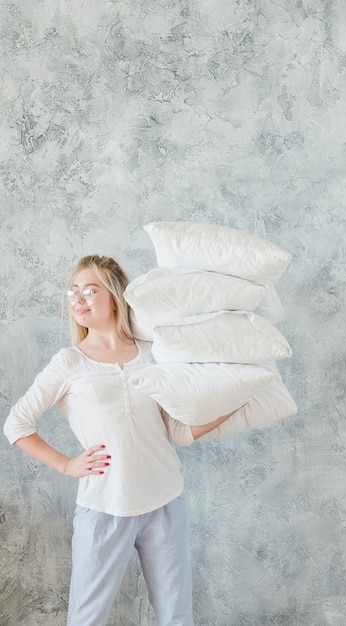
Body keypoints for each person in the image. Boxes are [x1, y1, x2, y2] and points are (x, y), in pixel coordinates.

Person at [3, 255, 236, 626]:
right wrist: (67, 464)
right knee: (87, 619)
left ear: (115, 296)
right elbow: (16, 424)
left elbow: (176, 430)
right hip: (104, 508)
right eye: (73, 292)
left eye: (90, 291)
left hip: (165, 501)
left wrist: (232, 405)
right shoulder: (68, 363)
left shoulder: (153, 353)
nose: (78, 300)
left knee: (177, 617)